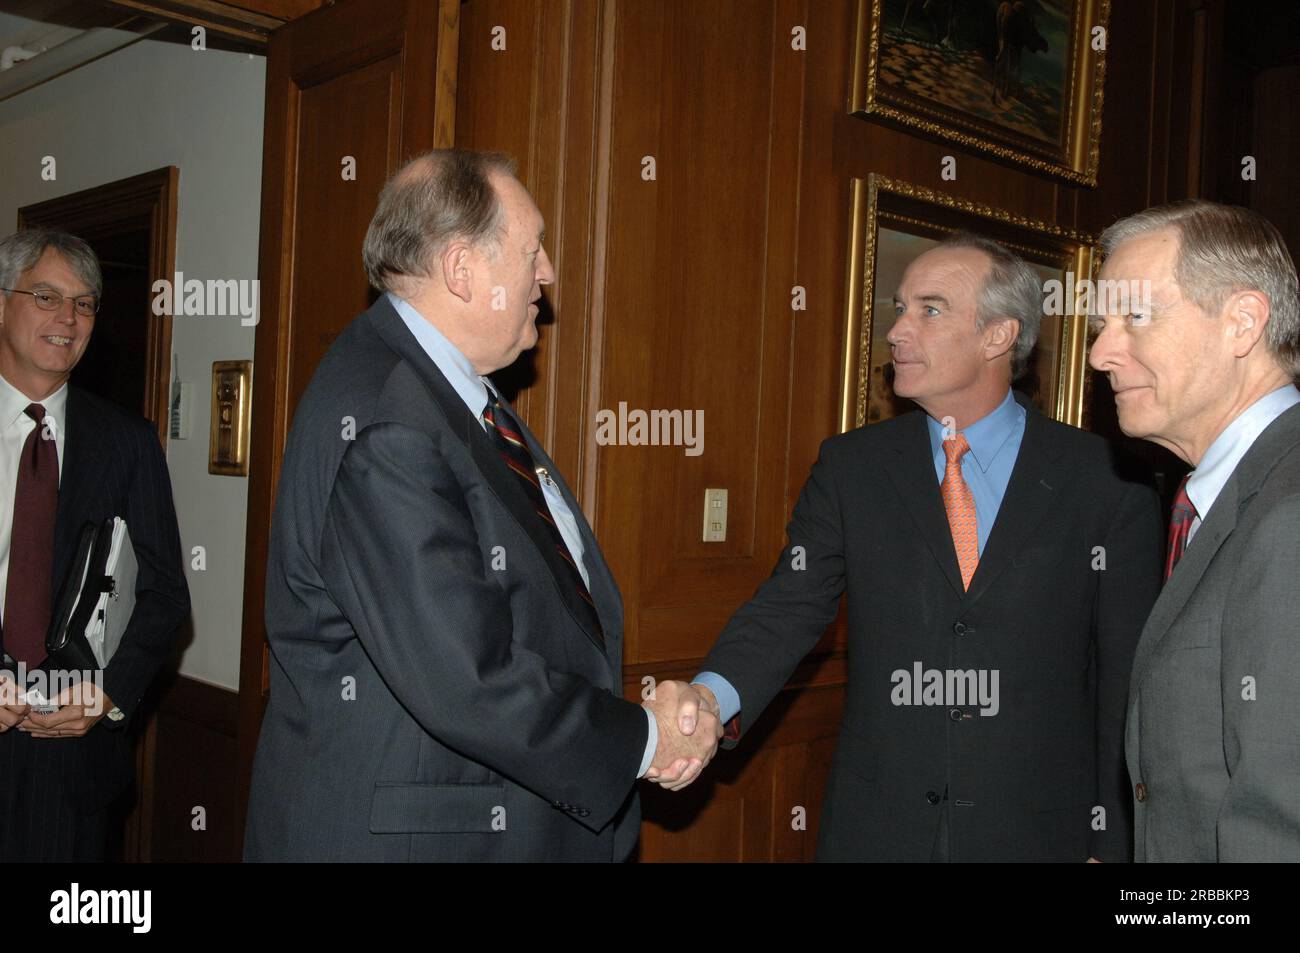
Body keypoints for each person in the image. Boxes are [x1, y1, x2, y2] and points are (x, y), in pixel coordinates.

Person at [243, 149, 720, 862]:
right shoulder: (390, 417)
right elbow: (467, 675)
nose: (549, 272)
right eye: (533, 249)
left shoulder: (448, 390)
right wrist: (646, 739)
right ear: (462, 270)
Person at [663, 232, 1164, 861]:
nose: (897, 331)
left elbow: (1128, 679)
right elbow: (787, 608)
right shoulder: (854, 467)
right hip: (879, 830)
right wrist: (709, 700)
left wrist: (1113, 843)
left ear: (998, 336)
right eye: (899, 309)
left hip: (1041, 833)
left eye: (929, 310)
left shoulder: (1105, 480)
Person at [1089, 199, 1300, 861]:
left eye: (1136, 317)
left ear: (1242, 322)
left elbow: (1277, 825)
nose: (1099, 353)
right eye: (1101, 325)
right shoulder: (1235, 493)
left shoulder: (1289, 511)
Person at [0, 229, 189, 861]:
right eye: (47, 296)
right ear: (3, 302)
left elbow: (166, 596)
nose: (68, 318)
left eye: (84, 304)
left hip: (73, 759)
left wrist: (108, 695)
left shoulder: (128, 444)